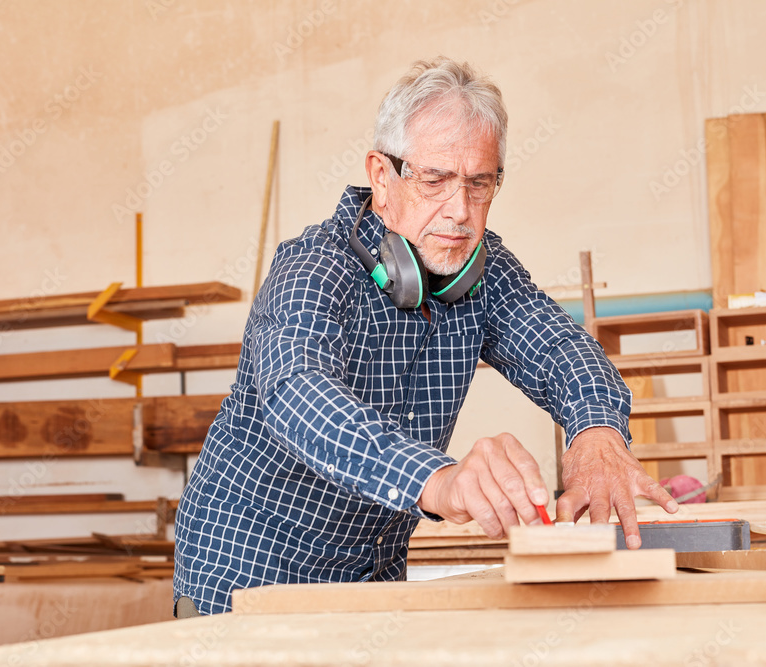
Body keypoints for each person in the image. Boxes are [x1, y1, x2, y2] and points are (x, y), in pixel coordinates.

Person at [173, 56, 678, 617]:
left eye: (479, 184)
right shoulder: (311, 270)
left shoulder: (482, 271)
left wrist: (597, 432)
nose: (459, 211)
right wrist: (440, 481)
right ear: (382, 177)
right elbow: (300, 397)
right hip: (251, 576)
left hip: (373, 575)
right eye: (435, 179)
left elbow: (559, 345)